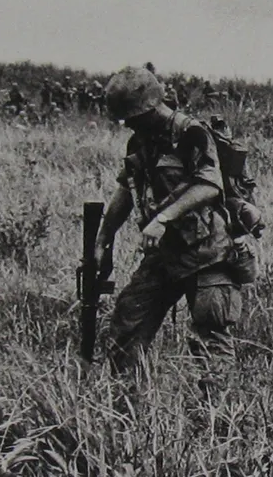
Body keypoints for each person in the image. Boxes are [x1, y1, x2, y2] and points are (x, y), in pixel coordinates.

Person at [92, 66, 242, 383]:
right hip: (164, 255)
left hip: (207, 253)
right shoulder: (139, 143)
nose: (128, 125)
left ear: (151, 107)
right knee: (127, 322)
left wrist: (161, 219)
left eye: (132, 118)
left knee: (210, 338)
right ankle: (124, 410)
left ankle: (216, 422)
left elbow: (209, 185)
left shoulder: (191, 133)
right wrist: (102, 238)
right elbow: (126, 189)